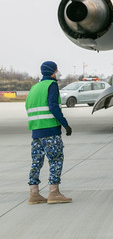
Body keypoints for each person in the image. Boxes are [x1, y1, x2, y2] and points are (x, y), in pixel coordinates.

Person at [25, 61, 72, 204]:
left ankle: (34, 193)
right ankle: (54, 192)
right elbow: (53, 106)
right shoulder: (51, 85)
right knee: (56, 160)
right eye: (57, 69)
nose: (58, 71)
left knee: (36, 162)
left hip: (36, 133)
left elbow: (28, 106)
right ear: (52, 71)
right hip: (50, 131)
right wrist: (65, 124)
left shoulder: (35, 87)